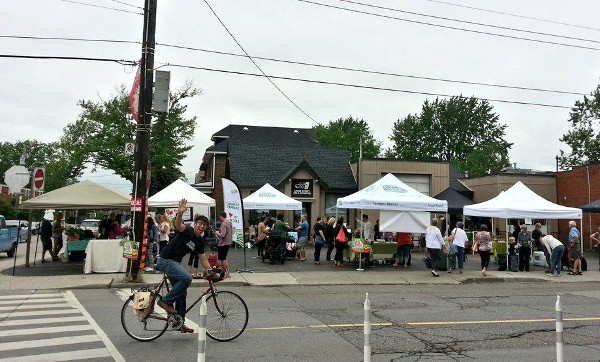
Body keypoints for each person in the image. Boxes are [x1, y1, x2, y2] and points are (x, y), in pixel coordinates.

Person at [155, 199, 211, 334]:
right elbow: (179, 225)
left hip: (174, 263)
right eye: (200, 223)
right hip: (166, 260)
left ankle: (179, 322)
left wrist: (212, 271)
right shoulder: (189, 231)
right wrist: (179, 214)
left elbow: (203, 259)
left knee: (182, 293)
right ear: (195, 224)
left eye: (204, 225)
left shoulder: (199, 241)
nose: (202, 226)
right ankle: (166, 301)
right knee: (187, 279)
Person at [215, 211, 233, 278]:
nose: (219, 218)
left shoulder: (224, 224)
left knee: (223, 258)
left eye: (219, 216)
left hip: (223, 244)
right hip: (228, 242)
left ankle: (227, 273)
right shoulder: (229, 223)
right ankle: (224, 272)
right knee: (222, 258)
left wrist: (217, 233)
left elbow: (222, 235)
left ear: (221, 216)